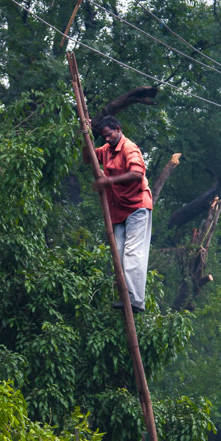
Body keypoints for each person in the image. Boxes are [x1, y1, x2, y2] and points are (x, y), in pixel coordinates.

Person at [84, 115, 153, 313]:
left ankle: (135, 300)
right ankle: (125, 296)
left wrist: (109, 182)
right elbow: (87, 157)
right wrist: (86, 135)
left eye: (109, 135)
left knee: (133, 254)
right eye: (103, 136)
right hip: (118, 209)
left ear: (118, 129)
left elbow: (138, 174)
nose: (106, 139)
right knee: (119, 253)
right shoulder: (106, 150)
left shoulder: (129, 148)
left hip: (137, 206)